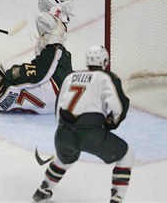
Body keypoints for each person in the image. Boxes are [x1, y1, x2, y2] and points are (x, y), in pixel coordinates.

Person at [32, 45, 134, 203]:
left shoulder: (70, 76)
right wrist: (110, 125)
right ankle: (117, 198)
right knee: (126, 156)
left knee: (64, 159)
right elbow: (117, 108)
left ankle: (42, 190)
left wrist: (65, 130)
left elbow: (59, 107)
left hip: (63, 132)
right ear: (105, 61)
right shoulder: (105, 77)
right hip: (89, 133)